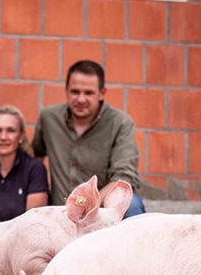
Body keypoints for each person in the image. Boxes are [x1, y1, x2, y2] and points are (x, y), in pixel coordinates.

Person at [32, 59, 145, 218]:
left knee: (132, 204)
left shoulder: (121, 123)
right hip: (60, 211)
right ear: (66, 90)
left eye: (89, 93)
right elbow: (33, 155)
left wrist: (87, 204)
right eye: (75, 92)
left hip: (102, 210)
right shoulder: (49, 119)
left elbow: (123, 180)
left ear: (102, 93)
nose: (81, 99)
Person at [0, 105, 49, 222]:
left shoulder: (35, 169)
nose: (3, 137)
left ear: (21, 136)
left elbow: (33, 222)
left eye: (11, 131)